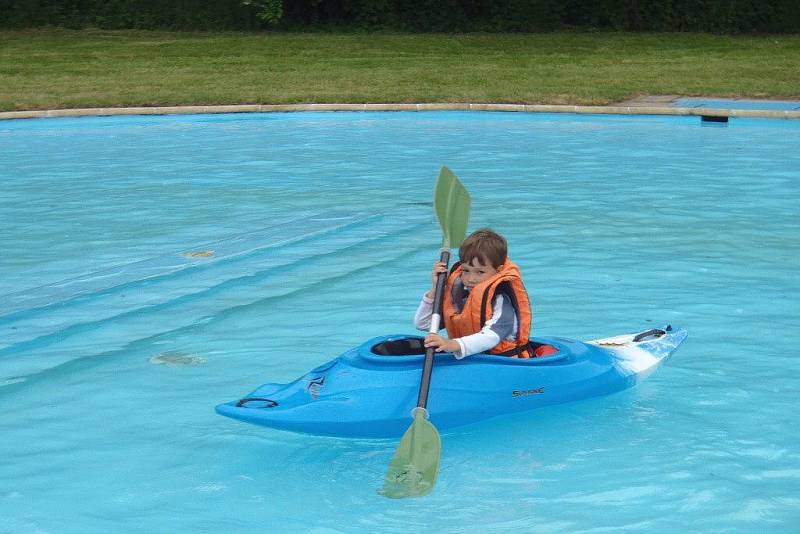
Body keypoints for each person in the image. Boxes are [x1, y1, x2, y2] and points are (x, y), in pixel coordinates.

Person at [414, 228, 556, 359]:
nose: (470, 279)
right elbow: (423, 323)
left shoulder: (500, 299)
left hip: (505, 363)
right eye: (465, 270)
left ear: (498, 270)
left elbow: (492, 336)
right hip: (473, 361)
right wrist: (435, 288)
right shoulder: (460, 297)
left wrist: (454, 345)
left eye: (480, 272)